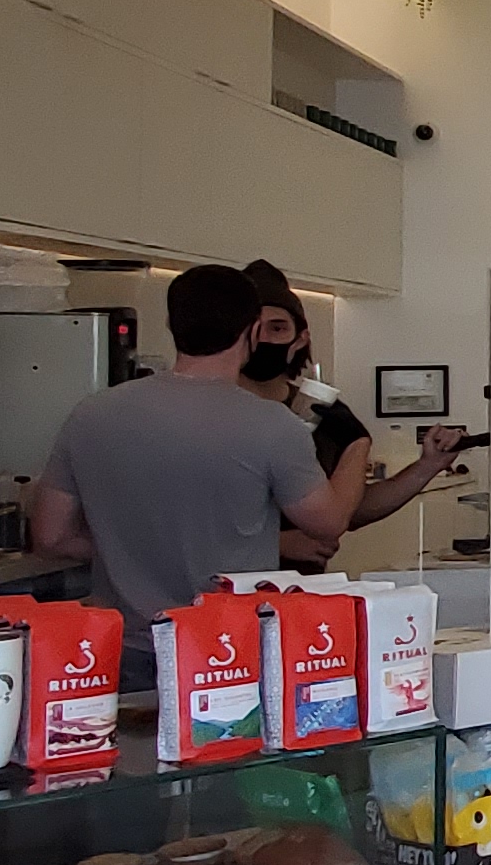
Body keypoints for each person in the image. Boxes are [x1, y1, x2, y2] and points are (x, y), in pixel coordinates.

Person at [29, 264, 355, 673]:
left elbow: (50, 537)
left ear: (172, 325)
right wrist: (355, 443)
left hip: (121, 649)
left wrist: (130, 551)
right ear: (253, 329)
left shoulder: (91, 414)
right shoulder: (272, 424)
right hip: (228, 651)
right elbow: (327, 523)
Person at [238, 260, 459, 569]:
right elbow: (184, 520)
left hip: (303, 590)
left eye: (277, 328)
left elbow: (348, 509)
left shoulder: (324, 414)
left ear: (300, 338)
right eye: (253, 328)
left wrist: (427, 466)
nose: (264, 339)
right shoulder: (210, 413)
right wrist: (279, 543)